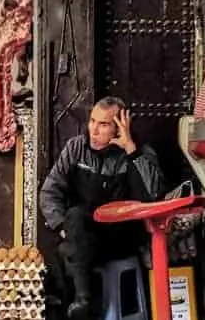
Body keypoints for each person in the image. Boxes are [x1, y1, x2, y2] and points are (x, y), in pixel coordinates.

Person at [39, 97, 165, 320]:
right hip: (81, 233)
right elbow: (50, 192)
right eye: (92, 121)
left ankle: (83, 303)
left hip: (120, 238)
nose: (94, 130)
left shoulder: (138, 152)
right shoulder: (77, 148)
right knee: (66, 237)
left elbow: (154, 196)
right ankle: (80, 302)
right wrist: (61, 226)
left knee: (71, 248)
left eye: (104, 124)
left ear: (120, 128)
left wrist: (130, 149)